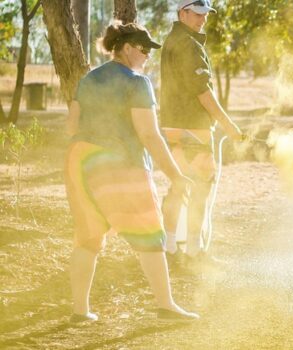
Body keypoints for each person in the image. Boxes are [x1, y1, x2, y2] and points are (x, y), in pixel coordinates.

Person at [64, 22, 198, 322]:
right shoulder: (137, 83)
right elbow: (149, 135)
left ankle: (80, 311)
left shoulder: (88, 79)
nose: (148, 55)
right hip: (121, 163)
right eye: (143, 49)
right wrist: (176, 175)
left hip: (80, 162)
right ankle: (166, 306)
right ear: (126, 49)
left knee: (87, 237)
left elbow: (71, 126)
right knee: (149, 233)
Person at [159, 0, 244, 259]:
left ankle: (170, 247)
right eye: (197, 14)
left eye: (205, 14)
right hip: (193, 126)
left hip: (173, 124)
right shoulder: (188, 44)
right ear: (182, 13)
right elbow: (202, 92)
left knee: (178, 184)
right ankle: (194, 250)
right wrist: (229, 126)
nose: (203, 19)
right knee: (200, 186)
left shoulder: (172, 40)